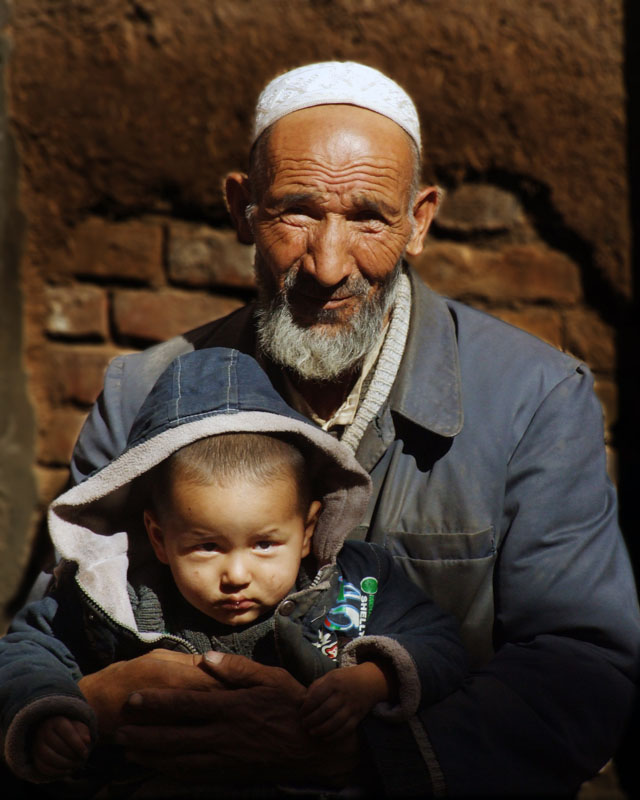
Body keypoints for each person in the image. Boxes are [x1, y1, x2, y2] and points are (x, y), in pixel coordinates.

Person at [21, 61, 640, 795]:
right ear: (241, 209)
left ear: (419, 222)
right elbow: (49, 630)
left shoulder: (532, 397)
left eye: (369, 216)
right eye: (297, 212)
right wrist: (96, 701)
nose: (327, 262)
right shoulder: (139, 393)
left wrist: (362, 754)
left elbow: (583, 664)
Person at [0, 348, 467, 795]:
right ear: (159, 538)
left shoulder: (358, 583)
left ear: (308, 530)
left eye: (265, 543)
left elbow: (442, 642)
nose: (237, 575)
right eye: (206, 547)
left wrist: (372, 679)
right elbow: (25, 653)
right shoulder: (109, 600)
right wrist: (49, 711)